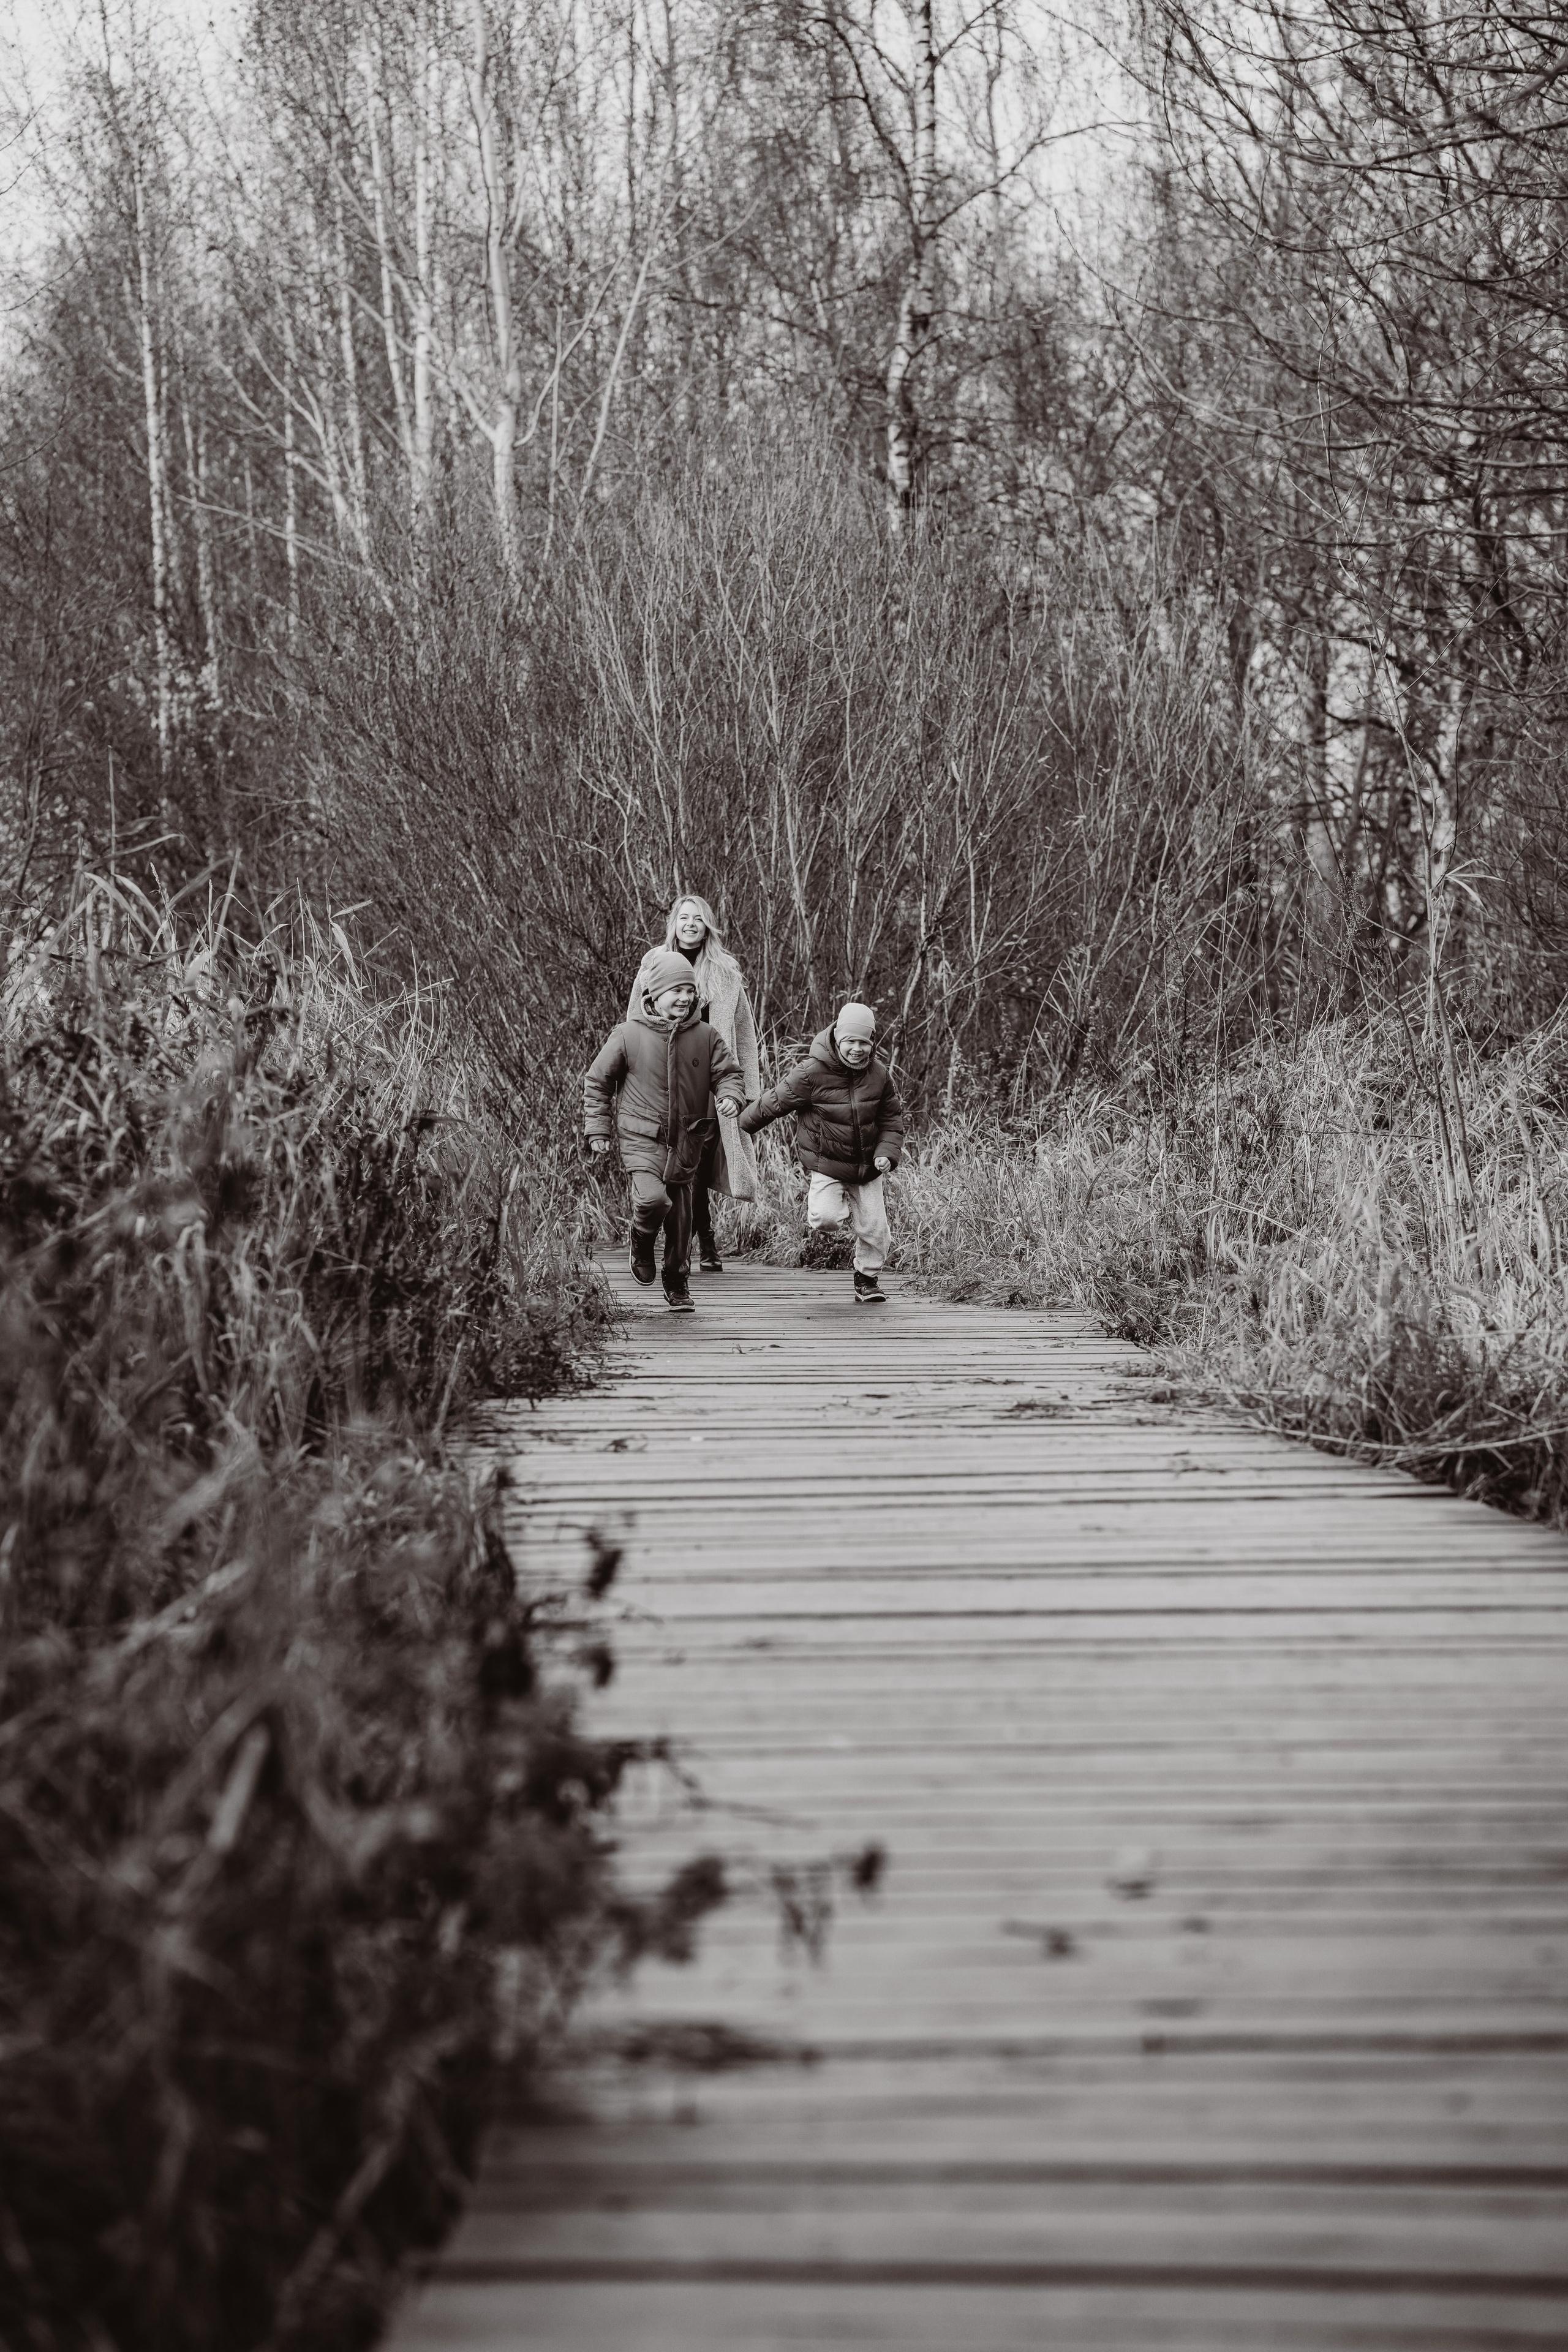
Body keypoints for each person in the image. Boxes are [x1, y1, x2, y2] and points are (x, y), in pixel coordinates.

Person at [586, 950, 747, 1312]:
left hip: (687, 1140)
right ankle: (641, 1239)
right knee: (652, 1200)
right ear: (654, 994)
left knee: (681, 1219)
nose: (685, 998)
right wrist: (598, 1128)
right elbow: (598, 1081)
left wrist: (731, 1097)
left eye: (690, 991)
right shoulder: (629, 1034)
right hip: (641, 1136)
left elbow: (729, 1074)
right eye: (676, 991)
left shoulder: (705, 1036)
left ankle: (677, 1281)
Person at [627, 894, 761, 1272]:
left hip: (710, 1083)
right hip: (665, 1083)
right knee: (674, 1163)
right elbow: (635, 1023)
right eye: (684, 917)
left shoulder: (725, 972)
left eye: (698, 918)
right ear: (674, 922)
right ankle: (691, 1241)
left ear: (707, 926)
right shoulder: (652, 966)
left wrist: (747, 1090)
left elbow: (744, 1033)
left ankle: (703, 1243)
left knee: (697, 1163)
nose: (690, 924)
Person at [739, 1001, 904, 1306]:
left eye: (864, 1042)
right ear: (838, 1039)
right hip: (827, 1162)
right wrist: (742, 1124)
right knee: (825, 1219)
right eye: (851, 1041)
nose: (857, 1049)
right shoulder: (811, 1072)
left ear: (872, 1043)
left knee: (877, 1230)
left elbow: (891, 1120)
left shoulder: (879, 1075)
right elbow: (776, 1101)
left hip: (870, 1166)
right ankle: (839, 1208)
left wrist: (887, 1154)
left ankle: (866, 1279)